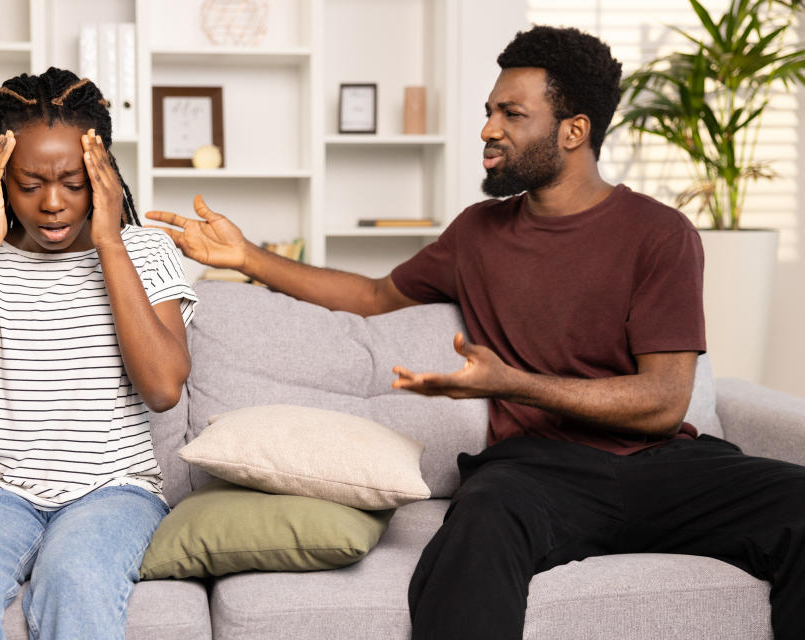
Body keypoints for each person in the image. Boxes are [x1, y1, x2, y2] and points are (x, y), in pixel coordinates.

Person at [146, 25, 805, 640]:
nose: (488, 129)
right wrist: (249, 259)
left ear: (573, 131)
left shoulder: (659, 235)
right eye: (489, 111)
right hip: (537, 474)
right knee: (477, 527)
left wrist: (511, 382)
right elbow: (374, 296)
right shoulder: (477, 233)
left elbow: (664, 402)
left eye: (511, 115)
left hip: (666, 467)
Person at [0, 67, 197, 640]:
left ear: (103, 175)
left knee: (77, 580)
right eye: (30, 186)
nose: (54, 204)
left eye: (74, 183)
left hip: (115, 490)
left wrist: (110, 241)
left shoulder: (146, 251)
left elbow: (163, 389)